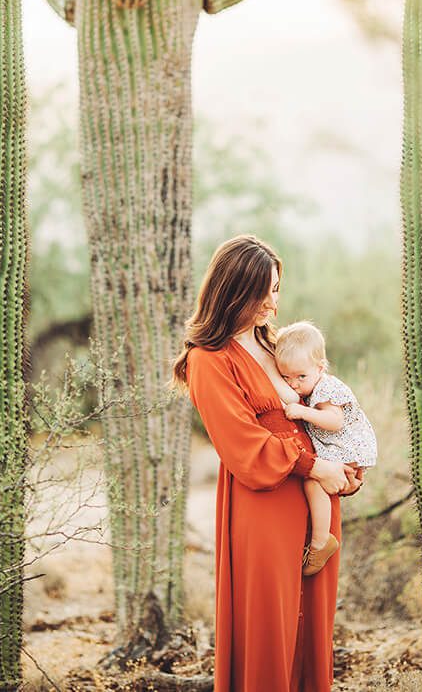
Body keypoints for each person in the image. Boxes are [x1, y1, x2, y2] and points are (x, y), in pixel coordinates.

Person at [174, 235, 361, 690]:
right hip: (263, 501)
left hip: (315, 498)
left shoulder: (276, 345)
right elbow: (242, 445)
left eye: (277, 289)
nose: (274, 304)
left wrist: (347, 463)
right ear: (236, 289)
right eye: (266, 292)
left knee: (310, 625)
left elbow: (325, 403)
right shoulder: (209, 359)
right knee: (268, 626)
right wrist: (316, 467)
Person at [271, 321, 380, 575]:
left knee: (313, 481)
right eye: (286, 377)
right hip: (337, 446)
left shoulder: (327, 387)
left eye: (300, 376)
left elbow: (334, 421)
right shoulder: (311, 383)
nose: (294, 384)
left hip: (348, 445)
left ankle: (321, 541)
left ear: (320, 368)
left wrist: (302, 411)